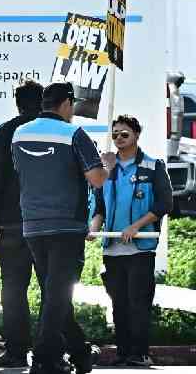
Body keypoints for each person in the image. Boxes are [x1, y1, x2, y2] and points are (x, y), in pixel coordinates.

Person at [11, 82, 108, 374]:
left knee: (54, 294)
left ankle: (80, 352)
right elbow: (97, 179)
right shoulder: (73, 134)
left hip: (33, 225)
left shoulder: (20, 134)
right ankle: (44, 358)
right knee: (58, 294)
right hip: (66, 226)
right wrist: (107, 165)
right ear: (66, 103)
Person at [89, 115, 172, 368]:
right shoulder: (106, 168)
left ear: (137, 135)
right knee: (119, 304)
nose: (119, 138)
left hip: (140, 248)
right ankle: (123, 353)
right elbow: (99, 207)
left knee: (139, 303)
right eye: (115, 134)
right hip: (112, 249)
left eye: (124, 134)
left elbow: (164, 203)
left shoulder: (152, 166)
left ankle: (140, 353)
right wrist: (93, 229)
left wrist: (136, 226)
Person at [0, 80, 44, 368]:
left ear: (17, 104)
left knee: (13, 291)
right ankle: (54, 350)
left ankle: (16, 351)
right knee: (53, 290)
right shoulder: (55, 132)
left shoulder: (5, 133)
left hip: (12, 225)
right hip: (49, 226)